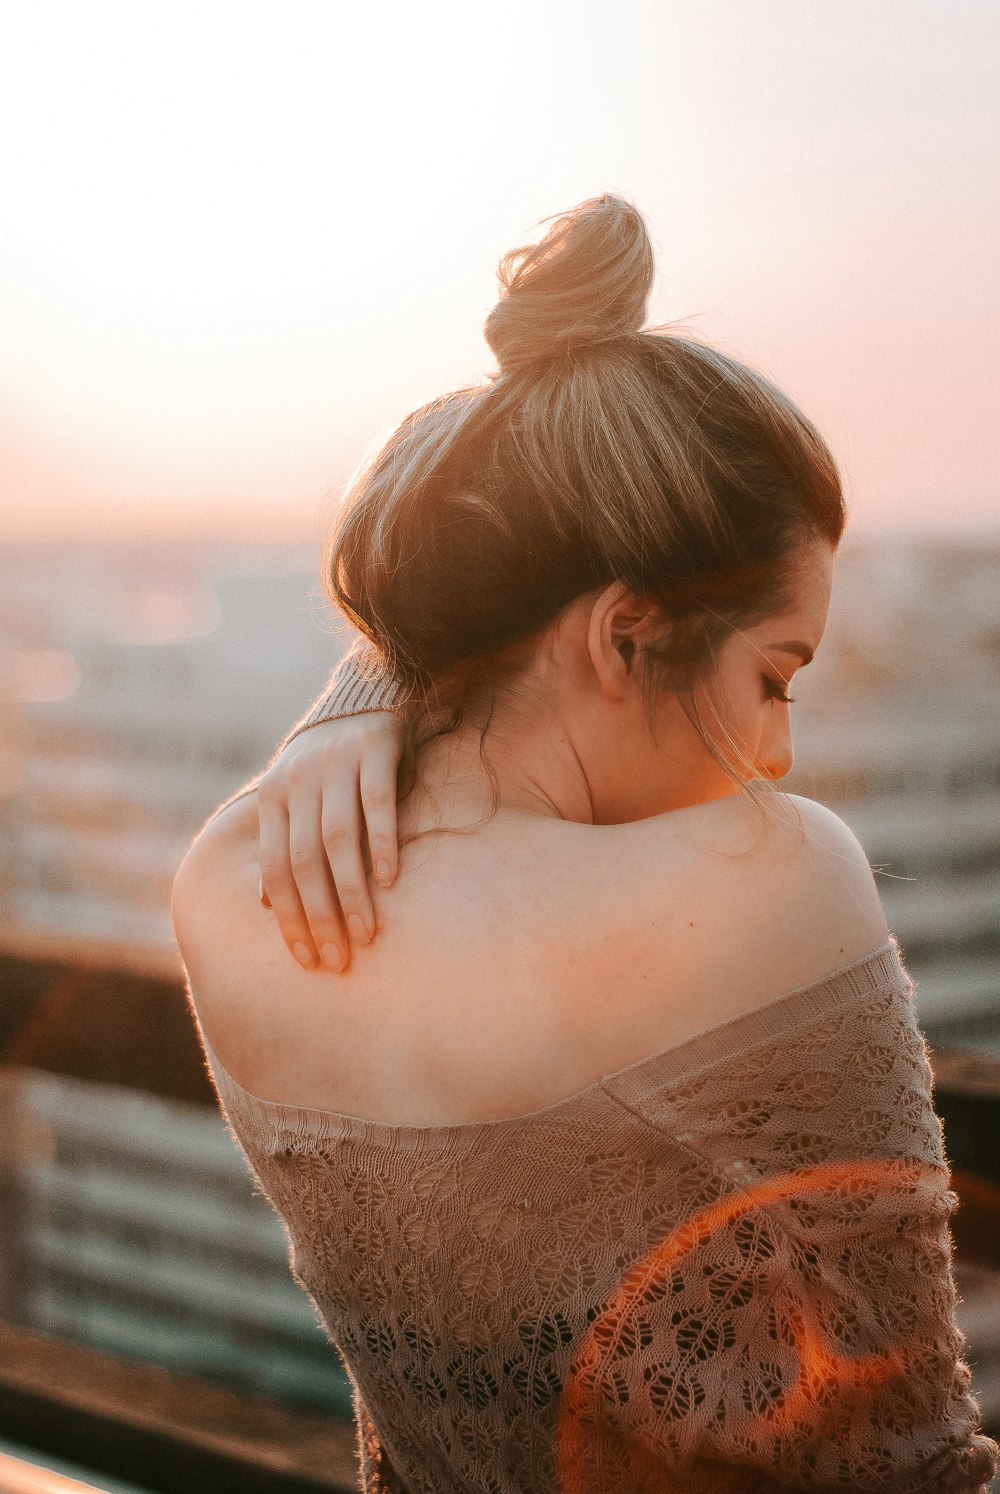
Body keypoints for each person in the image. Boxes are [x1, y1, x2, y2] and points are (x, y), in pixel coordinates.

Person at [171, 195, 998, 1493]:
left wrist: (366, 691)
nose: (776, 751)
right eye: (776, 675)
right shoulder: (772, 877)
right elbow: (915, 1459)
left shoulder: (228, 888)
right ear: (623, 635)